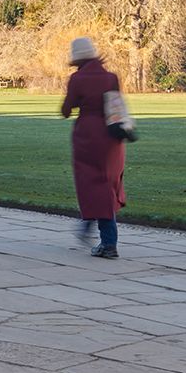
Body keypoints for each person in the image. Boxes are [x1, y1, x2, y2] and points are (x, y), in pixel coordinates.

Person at [60, 36, 126, 259]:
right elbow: (117, 106)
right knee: (107, 183)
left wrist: (79, 100)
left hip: (88, 136)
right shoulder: (111, 77)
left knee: (91, 185)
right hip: (112, 134)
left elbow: (66, 110)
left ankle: (107, 242)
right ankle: (94, 229)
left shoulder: (77, 79)